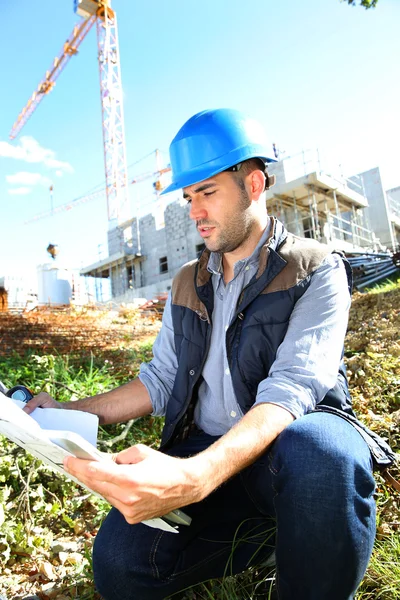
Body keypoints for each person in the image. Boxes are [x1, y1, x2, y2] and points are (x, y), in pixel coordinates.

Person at [26, 108, 379, 600]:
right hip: (205, 449)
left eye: (207, 192)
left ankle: (308, 543)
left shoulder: (316, 270)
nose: (194, 211)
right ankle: (270, 538)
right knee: (119, 563)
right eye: (190, 196)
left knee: (324, 457)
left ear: (253, 185)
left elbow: (291, 390)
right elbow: (161, 379)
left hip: (284, 454)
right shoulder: (186, 282)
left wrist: (196, 478)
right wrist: (68, 412)